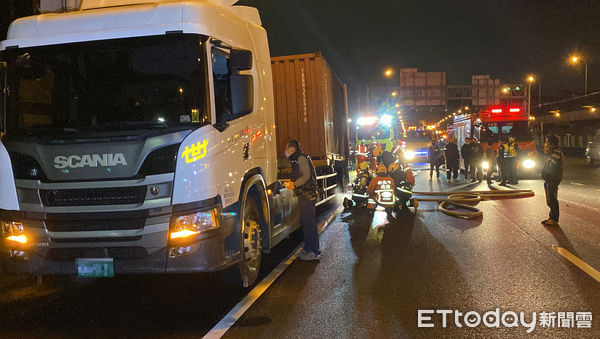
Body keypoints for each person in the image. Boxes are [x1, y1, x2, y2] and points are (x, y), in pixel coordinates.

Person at [283, 140, 321, 260]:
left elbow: (306, 175)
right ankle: (308, 248)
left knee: (309, 223)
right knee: (305, 223)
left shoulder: (301, 158)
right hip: (303, 195)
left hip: (307, 195)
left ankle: (314, 251)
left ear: (293, 149)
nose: (286, 151)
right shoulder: (296, 159)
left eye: (287, 149)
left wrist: (294, 184)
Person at [541, 135, 564, 226]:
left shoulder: (556, 151)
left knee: (553, 199)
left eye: (547, 141)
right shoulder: (552, 151)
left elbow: (551, 163)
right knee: (549, 199)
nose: (545, 143)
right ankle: (551, 217)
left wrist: (546, 153)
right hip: (549, 178)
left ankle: (554, 219)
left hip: (553, 178)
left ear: (551, 143)